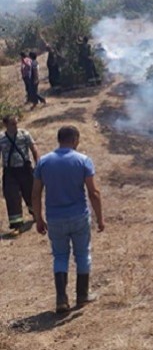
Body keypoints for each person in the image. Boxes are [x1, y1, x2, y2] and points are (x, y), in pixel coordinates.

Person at [33, 125, 104, 313]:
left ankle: (61, 299)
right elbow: (94, 193)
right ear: (75, 140)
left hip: (55, 218)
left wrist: (38, 219)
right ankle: (82, 295)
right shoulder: (83, 161)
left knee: (60, 256)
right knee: (82, 254)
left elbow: (35, 193)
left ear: (59, 139)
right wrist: (100, 218)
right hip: (79, 216)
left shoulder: (43, 162)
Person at [0, 116, 39, 236]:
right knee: (12, 197)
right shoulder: (1, 138)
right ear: (6, 124)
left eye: (16, 123)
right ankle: (17, 225)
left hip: (25, 169)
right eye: (12, 124)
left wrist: (39, 164)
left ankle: (36, 215)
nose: (15, 126)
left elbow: (34, 149)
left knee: (30, 193)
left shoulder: (24, 134)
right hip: (10, 171)